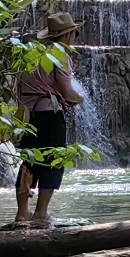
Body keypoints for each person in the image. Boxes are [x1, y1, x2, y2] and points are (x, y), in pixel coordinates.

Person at [11, 13, 85, 227]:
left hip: (28, 116)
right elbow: (66, 91)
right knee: (53, 161)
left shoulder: (32, 53)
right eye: (74, 33)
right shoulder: (60, 54)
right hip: (49, 114)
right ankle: (40, 213)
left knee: (29, 162)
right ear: (68, 34)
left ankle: (21, 214)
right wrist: (78, 99)